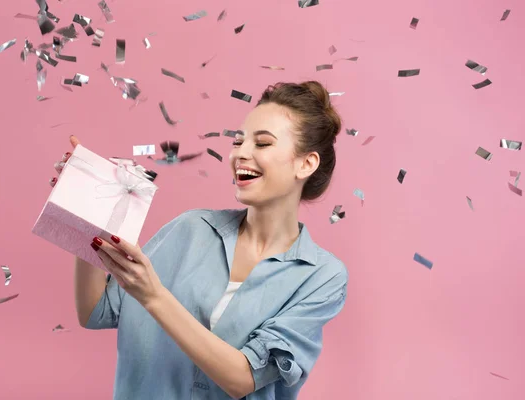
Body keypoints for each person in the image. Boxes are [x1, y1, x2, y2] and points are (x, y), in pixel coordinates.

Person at [50, 81, 348, 400]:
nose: (241, 154)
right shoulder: (190, 228)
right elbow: (95, 311)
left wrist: (154, 296)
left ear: (306, 163)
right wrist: (87, 215)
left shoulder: (321, 276)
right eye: (238, 142)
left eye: (262, 144)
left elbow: (242, 378)